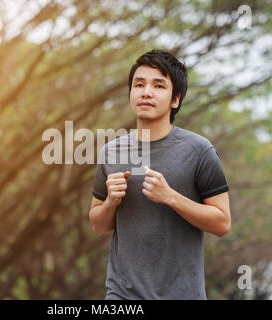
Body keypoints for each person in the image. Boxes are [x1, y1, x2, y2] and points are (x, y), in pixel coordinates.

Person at [89, 49, 231, 300]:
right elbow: (99, 226)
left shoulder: (199, 151)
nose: (146, 92)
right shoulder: (111, 152)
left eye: (158, 85)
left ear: (175, 99)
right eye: (139, 84)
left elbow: (222, 223)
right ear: (131, 93)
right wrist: (111, 201)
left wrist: (170, 197)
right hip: (122, 296)